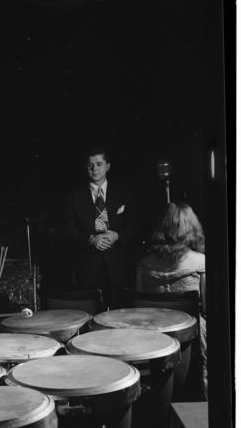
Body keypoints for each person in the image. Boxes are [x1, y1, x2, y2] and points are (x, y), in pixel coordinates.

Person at [135, 201, 207, 397]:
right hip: (191, 341)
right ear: (191, 227)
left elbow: (137, 311)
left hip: (153, 341)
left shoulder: (143, 264)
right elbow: (207, 309)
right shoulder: (201, 263)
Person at [63, 150, 137, 308]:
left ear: (108, 166)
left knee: (119, 315)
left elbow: (134, 225)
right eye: (90, 165)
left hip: (118, 267)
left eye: (99, 164)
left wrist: (118, 235)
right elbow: (68, 229)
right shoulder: (74, 197)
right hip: (88, 267)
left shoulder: (123, 194)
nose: (94, 168)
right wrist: (90, 239)